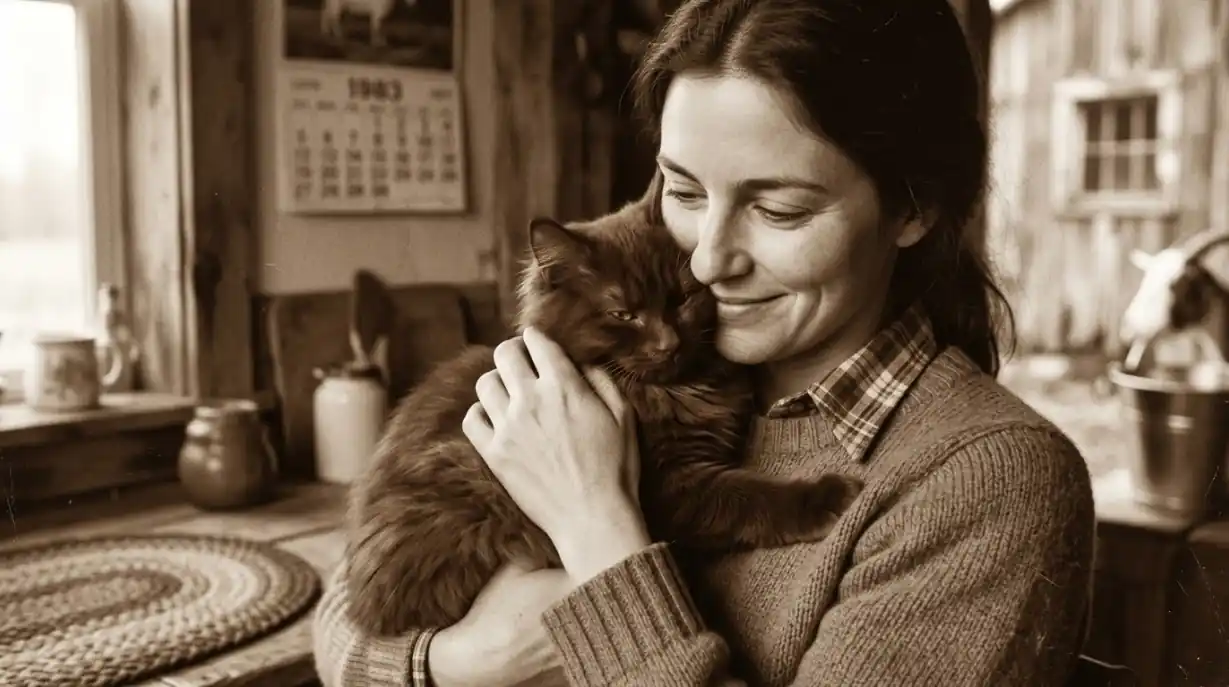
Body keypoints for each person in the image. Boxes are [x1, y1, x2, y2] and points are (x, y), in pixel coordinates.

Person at [312, 0, 1097, 685]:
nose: (707, 258)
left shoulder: (989, 484)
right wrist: (455, 664)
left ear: (912, 209)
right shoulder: (655, 366)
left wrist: (595, 527)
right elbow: (341, 620)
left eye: (779, 210)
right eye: (684, 191)